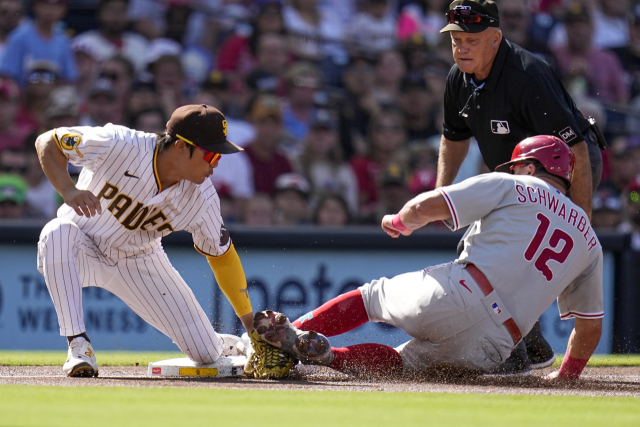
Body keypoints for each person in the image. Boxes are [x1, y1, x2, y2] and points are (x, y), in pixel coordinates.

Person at [252, 135, 603, 382]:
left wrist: (398, 221)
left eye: (516, 166)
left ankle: (289, 334)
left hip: (462, 290)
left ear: (529, 166)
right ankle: (329, 357)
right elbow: (589, 328)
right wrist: (566, 376)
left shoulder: (514, 185)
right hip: (496, 344)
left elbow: (427, 206)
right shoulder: (589, 238)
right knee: (403, 366)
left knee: (373, 297)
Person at [34, 104, 295, 379]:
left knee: (206, 354)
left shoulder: (202, 197)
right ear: (181, 147)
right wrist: (67, 188)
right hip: (81, 246)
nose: (216, 163)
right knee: (57, 232)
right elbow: (48, 141)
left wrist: (249, 325)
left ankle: (229, 343)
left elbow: (222, 257)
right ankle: (78, 346)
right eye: (211, 154)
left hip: (139, 260)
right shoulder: (120, 145)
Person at [436, 0, 604, 372]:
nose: (461, 47)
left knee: (489, 249)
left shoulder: (528, 75)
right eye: (456, 39)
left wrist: (580, 221)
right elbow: (454, 138)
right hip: (517, 177)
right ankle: (531, 347)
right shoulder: (457, 79)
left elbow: (576, 147)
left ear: (495, 39)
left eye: (471, 40)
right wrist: (440, 191)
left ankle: (516, 352)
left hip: (568, 169)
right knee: (487, 249)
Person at [0, 0, 77, 87]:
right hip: (22, 96)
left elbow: (69, 77)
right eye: (45, 5)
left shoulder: (63, 41)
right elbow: (7, 74)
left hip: (53, 97)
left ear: (64, 10)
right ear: (35, 6)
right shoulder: (19, 37)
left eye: (56, 6)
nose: (50, 11)